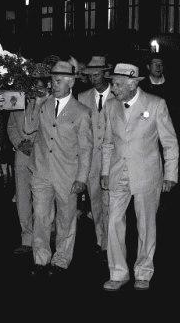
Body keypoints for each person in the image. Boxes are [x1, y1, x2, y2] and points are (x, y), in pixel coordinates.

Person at [100, 63, 179, 291]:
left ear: (132, 83)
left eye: (116, 84)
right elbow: (107, 143)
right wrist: (105, 171)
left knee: (146, 225)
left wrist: (171, 174)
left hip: (146, 174)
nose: (113, 88)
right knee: (113, 221)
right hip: (117, 173)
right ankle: (118, 273)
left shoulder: (156, 105)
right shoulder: (111, 106)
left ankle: (143, 272)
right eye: (113, 83)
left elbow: (170, 143)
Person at [24, 60, 93, 278]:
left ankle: (61, 260)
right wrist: (36, 104)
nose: (54, 84)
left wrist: (82, 178)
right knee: (41, 218)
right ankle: (40, 259)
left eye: (60, 80)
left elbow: (86, 148)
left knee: (66, 219)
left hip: (68, 174)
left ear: (71, 82)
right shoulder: (43, 104)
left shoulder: (81, 112)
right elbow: (28, 128)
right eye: (53, 79)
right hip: (42, 171)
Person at [6, 62, 50, 255]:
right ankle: (26, 237)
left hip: (41, 154)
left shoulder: (49, 103)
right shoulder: (18, 101)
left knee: (42, 197)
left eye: (39, 86)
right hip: (22, 154)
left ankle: (44, 236)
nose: (35, 90)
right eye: (32, 86)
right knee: (23, 196)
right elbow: (11, 127)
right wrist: (18, 143)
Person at [77, 56, 114, 257]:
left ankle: (110, 243)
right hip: (90, 161)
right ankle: (101, 239)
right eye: (90, 75)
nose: (94, 78)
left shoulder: (117, 97)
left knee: (110, 202)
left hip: (112, 160)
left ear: (105, 74)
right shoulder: (82, 98)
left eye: (97, 74)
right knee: (96, 203)